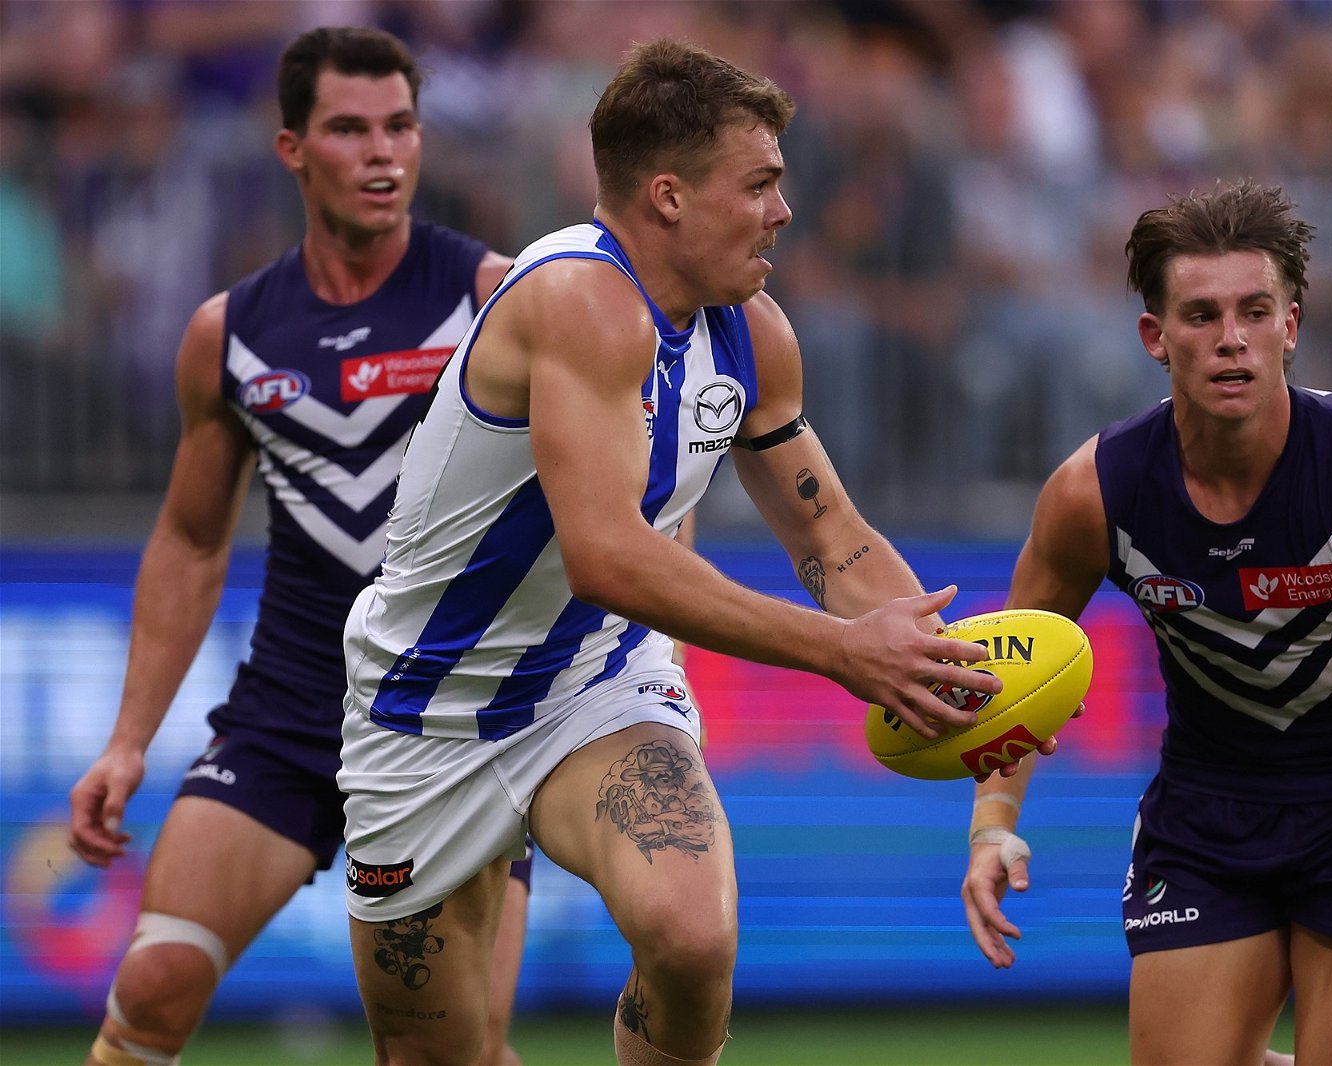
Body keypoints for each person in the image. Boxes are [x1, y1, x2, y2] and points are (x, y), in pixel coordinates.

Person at [338, 37, 1018, 1066]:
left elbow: (831, 535)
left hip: (593, 685)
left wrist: (957, 672)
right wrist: (842, 654)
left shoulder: (753, 332)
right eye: (759, 184)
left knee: (693, 937)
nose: (784, 211)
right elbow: (609, 556)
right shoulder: (576, 301)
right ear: (667, 197)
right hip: (422, 710)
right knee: (434, 1056)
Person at [959, 180, 1332, 1066]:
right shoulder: (1092, 494)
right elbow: (1015, 673)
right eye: (1202, 315)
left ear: (1290, 326)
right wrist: (993, 824)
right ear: (1156, 337)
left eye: (1255, 312)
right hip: (1209, 811)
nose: (1231, 340)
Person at [66, 27, 534, 1066]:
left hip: (449, 737)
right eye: (349, 129)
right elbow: (191, 540)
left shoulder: (495, 300)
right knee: (153, 981)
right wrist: (128, 740)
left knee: (447, 1057)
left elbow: (604, 492)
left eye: (401, 126)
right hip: (288, 717)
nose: (382, 153)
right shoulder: (229, 333)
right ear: (291, 149)